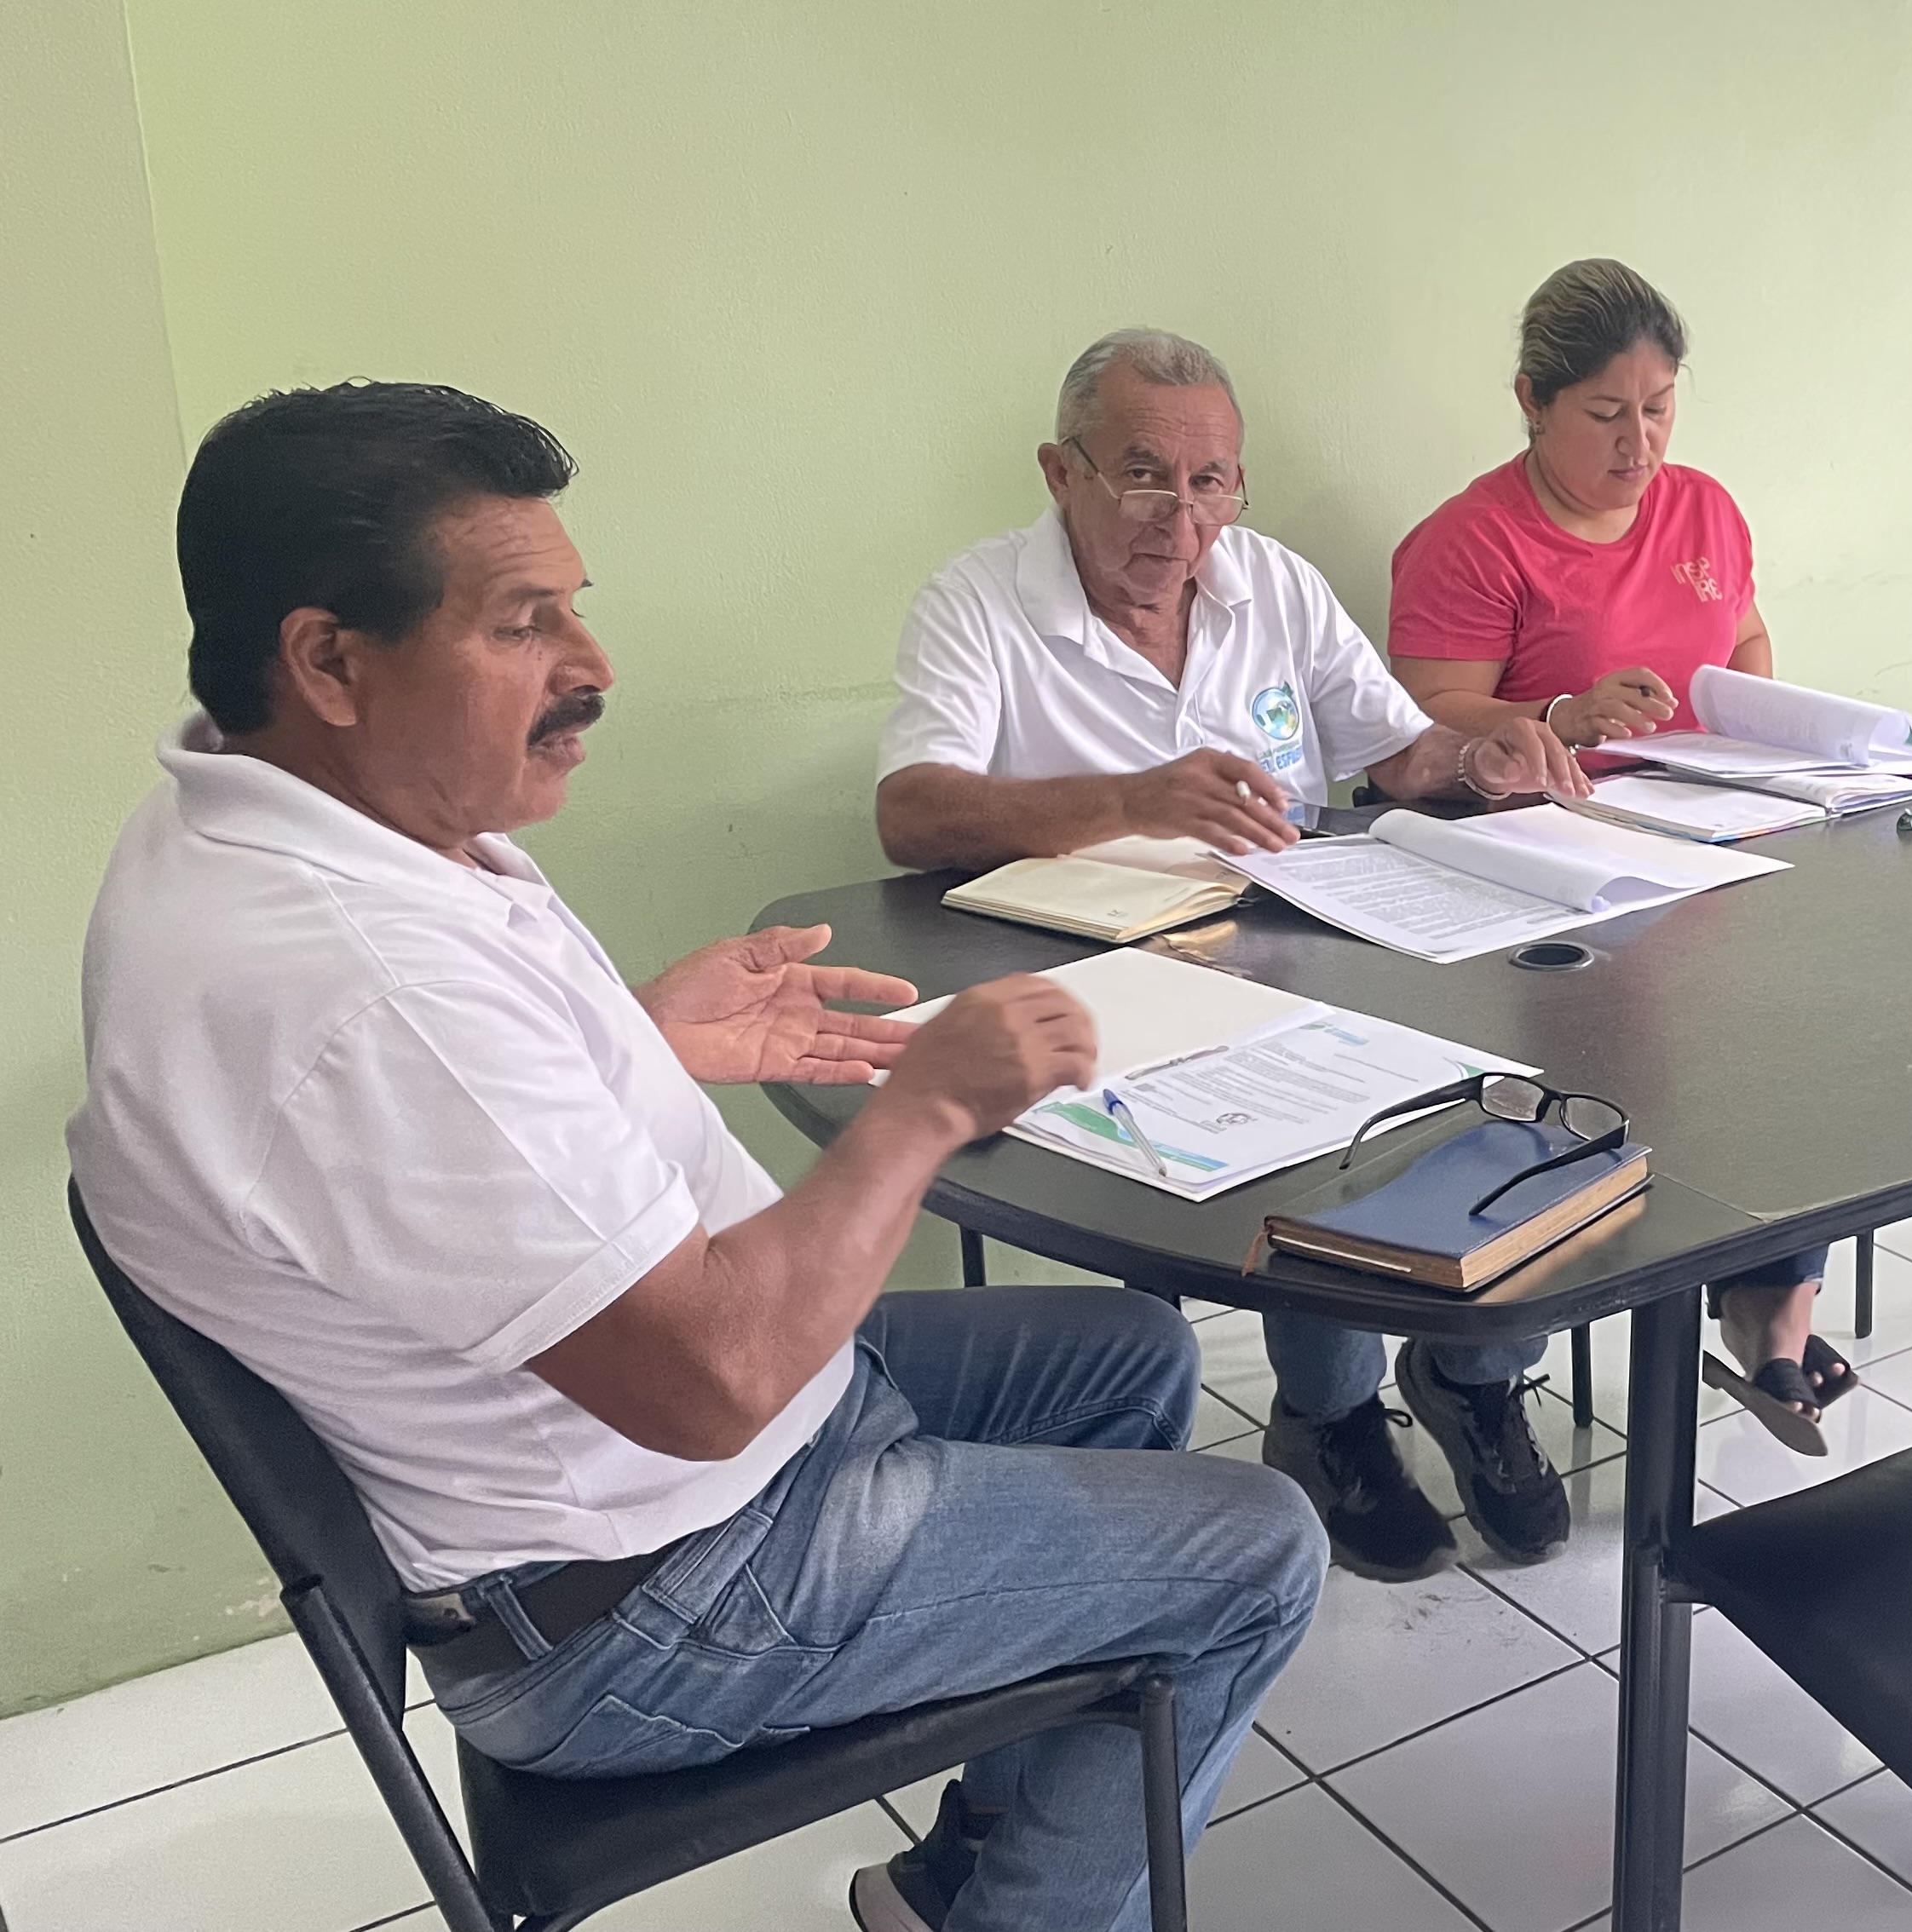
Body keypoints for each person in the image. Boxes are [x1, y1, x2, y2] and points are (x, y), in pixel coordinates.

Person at [68, 382, 1326, 1932]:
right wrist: (925, 1110)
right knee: (1259, 1547)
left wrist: (631, 1039)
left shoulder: (256, 813)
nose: (592, 666)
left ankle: (969, 1878)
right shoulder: (360, 982)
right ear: (327, 659)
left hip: (645, 1479)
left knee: (1129, 1357)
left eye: (571, 607)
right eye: (522, 624)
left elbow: (421, 1142)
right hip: (646, 1595)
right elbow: (711, 1378)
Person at [872, 329, 1590, 1581]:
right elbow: (911, 813)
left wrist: (1481, 760)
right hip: (1092, 986)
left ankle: (1476, 1373)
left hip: (1294, 931)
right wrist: (1131, 799)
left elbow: (1397, 753)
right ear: (1061, 471)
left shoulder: (1274, 584)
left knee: (1502, 1058)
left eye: (1211, 483)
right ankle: (1332, 1414)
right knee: (1308, 1125)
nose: (1183, 516)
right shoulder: (979, 599)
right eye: (1144, 475)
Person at [1385, 259, 1850, 1449]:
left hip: (1704, 839)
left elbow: (1744, 638)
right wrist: (1562, 716)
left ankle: (1770, 1307)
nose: (1639, 443)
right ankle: (1477, 1375)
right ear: (1532, 402)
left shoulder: (1704, 509)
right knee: (1576, 1098)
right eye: (1605, 414)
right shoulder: (1472, 539)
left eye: (1658, 408)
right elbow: (1419, 722)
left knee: (1786, 1047)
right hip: (1540, 872)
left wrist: (1757, 733)